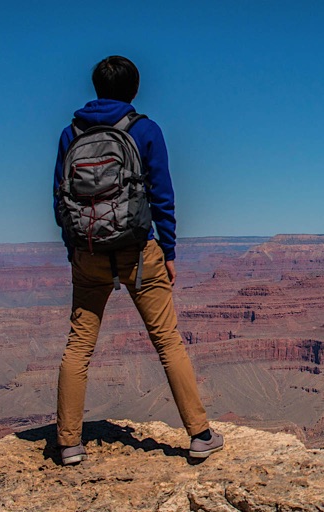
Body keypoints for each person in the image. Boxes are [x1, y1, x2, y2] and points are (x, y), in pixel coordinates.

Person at [53, 55, 223, 465]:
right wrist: (169, 250)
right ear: (134, 89)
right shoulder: (144, 129)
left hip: (89, 252)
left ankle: (70, 443)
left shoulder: (71, 132)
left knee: (78, 346)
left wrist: (73, 248)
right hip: (139, 252)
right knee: (168, 341)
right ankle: (200, 434)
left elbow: (59, 197)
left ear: (95, 87)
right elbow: (163, 194)